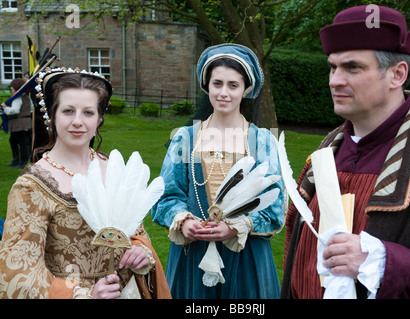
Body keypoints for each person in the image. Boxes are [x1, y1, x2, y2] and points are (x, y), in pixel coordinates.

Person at [281, 5, 410, 299]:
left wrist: (381, 261)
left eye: (352, 67)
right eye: (333, 67)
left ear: (397, 74)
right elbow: (295, 251)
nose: (334, 80)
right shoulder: (327, 150)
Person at [0, 67, 171, 299]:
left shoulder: (113, 168)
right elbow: (18, 272)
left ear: (99, 118)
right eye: (68, 111)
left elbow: (137, 233)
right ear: (52, 115)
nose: (78, 122)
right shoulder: (32, 186)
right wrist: (84, 295)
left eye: (88, 113)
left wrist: (141, 252)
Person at [152, 43, 285, 299]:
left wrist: (236, 226)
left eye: (233, 85)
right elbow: (165, 197)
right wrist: (184, 221)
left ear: (246, 89)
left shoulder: (262, 141)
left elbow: (275, 207)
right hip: (193, 255)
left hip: (246, 255)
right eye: (217, 84)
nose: (224, 93)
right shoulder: (185, 138)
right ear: (207, 86)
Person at [1, 78, 33, 168]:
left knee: (21, 143)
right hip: (24, 122)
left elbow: (14, 110)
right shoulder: (26, 96)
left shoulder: (17, 98)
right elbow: (31, 109)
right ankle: (16, 161)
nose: (11, 88)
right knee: (14, 141)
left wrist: (5, 108)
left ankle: (22, 162)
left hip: (19, 124)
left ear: (16, 87)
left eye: (12, 86)